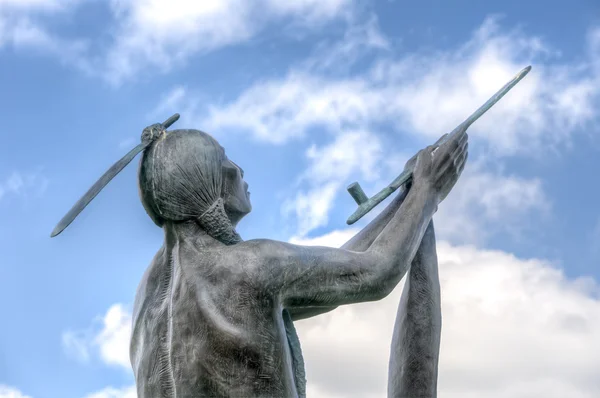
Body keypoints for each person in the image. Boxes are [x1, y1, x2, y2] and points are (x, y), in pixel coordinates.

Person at [129, 125, 468, 398]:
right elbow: (376, 272)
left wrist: (409, 201)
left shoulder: (151, 293)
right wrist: (428, 191)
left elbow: (345, 269)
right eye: (223, 159)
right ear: (203, 184)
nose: (237, 168)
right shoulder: (247, 267)